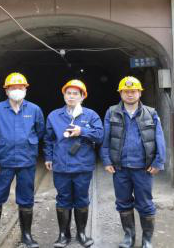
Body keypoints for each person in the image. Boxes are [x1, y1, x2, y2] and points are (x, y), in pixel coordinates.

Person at [0, 72, 45, 248]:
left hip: (26, 161)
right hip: (3, 161)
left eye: (20, 87)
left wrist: (29, 143)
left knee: (26, 198)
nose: (17, 90)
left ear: (25, 89)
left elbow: (40, 131)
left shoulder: (34, 110)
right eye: (13, 88)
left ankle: (26, 236)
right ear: (6, 90)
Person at [101, 76, 166, 248]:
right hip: (120, 168)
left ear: (140, 93)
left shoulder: (151, 113)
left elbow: (159, 138)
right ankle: (129, 237)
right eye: (126, 91)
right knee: (123, 203)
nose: (130, 94)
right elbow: (106, 138)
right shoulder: (112, 112)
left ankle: (147, 240)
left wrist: (158, 161)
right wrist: (106, 160)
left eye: (133, 91)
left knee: (145, 204)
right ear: (121, 93)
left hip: (143, 168)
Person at [44, 79, 103, 248]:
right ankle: (63, 235)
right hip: (61, 165)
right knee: (63, 199)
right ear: (64, 95)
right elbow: (48, 139)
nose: (71, 96)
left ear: (82, 96)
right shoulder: (54, 116)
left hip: (82, 165)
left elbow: (100, 136)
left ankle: (81, 233)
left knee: (82, 199)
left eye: (75, 94)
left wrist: (82, 131)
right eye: (68, 93)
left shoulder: (90, 115)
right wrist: (48, 157)